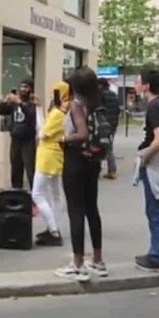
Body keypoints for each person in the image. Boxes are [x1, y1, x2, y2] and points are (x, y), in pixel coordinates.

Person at [55, 67, 107, 282]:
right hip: (92, 161)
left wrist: (65, 139)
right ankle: (97, 259)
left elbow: (82, 133)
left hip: (75, 160)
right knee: (91, 209)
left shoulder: (77, 105)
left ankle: (77, 264)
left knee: (76, 211)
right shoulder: (96, 103)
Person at [133, 70, 159, 272]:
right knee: (158, 209)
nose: (135, 84)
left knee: (156, 210)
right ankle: (157, 252)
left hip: (156, 163)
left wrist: (146, 158)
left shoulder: (155, 106)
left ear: (147, 86)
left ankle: (157, 256)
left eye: (138, 81)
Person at [32, 81, 71, 247]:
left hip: (47, 156)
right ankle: (52, 227)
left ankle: (53, 230)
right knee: (55, 194)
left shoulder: (56, 113)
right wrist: (39, 109)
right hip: (57, 156)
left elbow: (42, 133)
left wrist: (41, 113)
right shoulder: (64, 113)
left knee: (37, 194)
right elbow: (44, 129)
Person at [0, 79, 39, 190]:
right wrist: (5, 101)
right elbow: (0, 110)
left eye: (26, 87)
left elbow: (30, 115)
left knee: (30, 169)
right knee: (16, 168)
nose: (23, 89)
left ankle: (34, 194)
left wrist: (20, 103)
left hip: (28, 140)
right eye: (21, 87)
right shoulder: (14, 104)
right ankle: (17, 192)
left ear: (31, 89)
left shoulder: (33, 104)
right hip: (15, 139)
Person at [98, 78, 120, 179]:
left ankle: (98, 170)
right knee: (109, 146)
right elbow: (117, 110)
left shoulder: (100, 95)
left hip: (103, 124)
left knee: (99, 146)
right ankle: (112, 170)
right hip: (113, 124)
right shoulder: (114, 95)